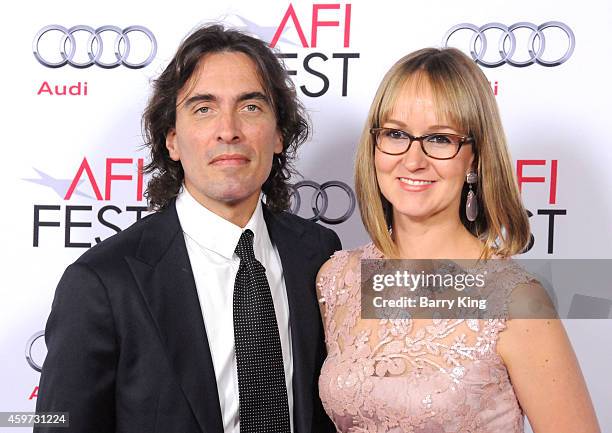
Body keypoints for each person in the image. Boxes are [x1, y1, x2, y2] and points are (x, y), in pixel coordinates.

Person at [35, 25, 340, 433]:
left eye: (250, 107)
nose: (228, 130)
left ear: (279, 134)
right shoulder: (101, 283)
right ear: (173, 141)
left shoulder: (319, 253)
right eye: (203, 108)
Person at [316, 48, 600, 432]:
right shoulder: (338, 279)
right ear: (375, 145)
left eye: (440, 139)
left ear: (474, 158)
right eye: (396, 134)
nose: (413, 160)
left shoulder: (514, 302)